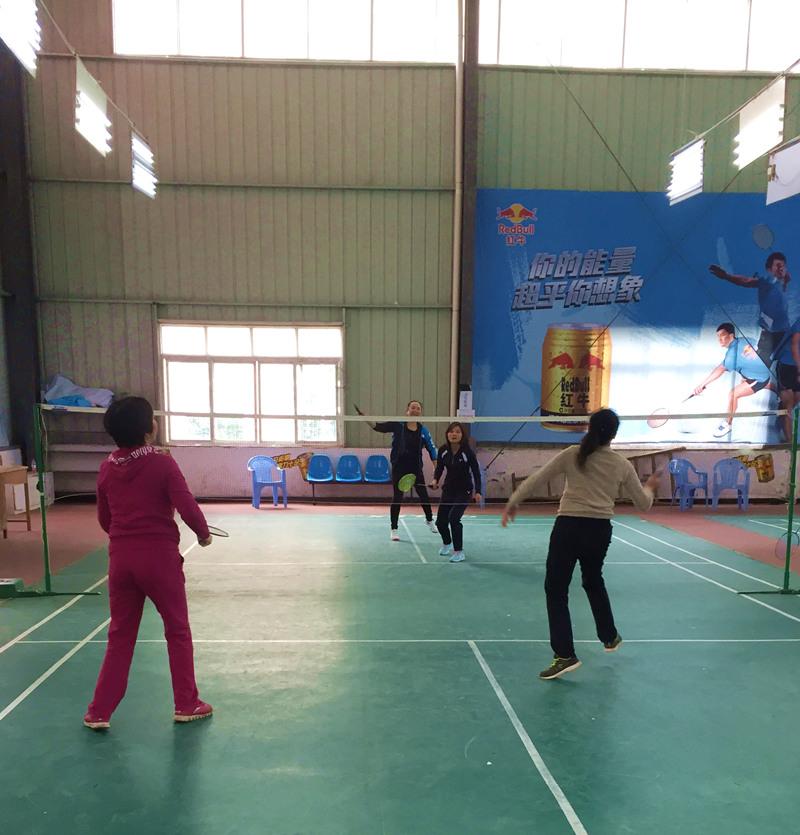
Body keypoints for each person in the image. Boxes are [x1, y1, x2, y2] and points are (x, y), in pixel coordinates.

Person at [84, 396, 213, 730]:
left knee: (120, 635)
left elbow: (104, 517)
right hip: (159, 559)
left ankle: (99, 711)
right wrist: (203, 534)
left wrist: (125, 536)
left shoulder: (107, 467)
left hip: (121, 560)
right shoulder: (162, 463)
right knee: (177, 630)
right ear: (147, 428)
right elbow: (185, 503)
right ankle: (186, 703)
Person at [501, 409, 659, 681]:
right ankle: (609, 636)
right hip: (599, 530)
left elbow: (537, 479)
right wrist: (651, 487)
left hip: (569, 528)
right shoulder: (621, 464)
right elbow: (643, 504)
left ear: (589, 428)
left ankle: (565, 655)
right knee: (593, 580)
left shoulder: (572, 454)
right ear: (614, 435)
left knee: (556, 589)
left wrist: (513, 502)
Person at [360, 400, 438, 541]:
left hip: (415, 468)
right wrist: (366, 418)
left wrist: (435, 469)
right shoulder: (398, 425)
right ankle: (394, 529)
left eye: (418, 408)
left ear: (420, 413)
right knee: (397, 498)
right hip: (399, 467)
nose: (415, 410)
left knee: (423, 495)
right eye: (413, 407)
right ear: (407, 411)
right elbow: (378, 427)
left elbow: (432, 450)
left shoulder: (423, 431)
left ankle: (429, 520)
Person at [691, 322, 775, 439]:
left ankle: (728, 424)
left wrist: (702, 385)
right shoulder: (745, 339)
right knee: (743, 380)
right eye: (718, 336)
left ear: (731, 335)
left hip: (759, 378)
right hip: (763, 370)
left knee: (733, 394)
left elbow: (720, 369)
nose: (720, 339)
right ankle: (773, 387)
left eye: (722, 335)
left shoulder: (731, 356)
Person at [708, 252, 790, 365]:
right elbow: (746, 281)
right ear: (769, 269)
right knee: (763, 365)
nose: (781, 268)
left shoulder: (783, 281)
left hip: (785, 333)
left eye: (783, 265)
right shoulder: (767, 282)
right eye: (778, 265)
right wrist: (726, 276)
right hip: (770, 336)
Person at [431, 421, 482, 563]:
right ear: (447, 434)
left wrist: (478, 491)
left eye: (458, 432)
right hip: (448, 489)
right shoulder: (443, 450)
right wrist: (435, 480)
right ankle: (447, 543)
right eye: (451, 431)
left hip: (464, 490)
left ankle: (459, 551)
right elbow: (440, 468)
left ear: (462, 435)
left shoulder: (467, 452)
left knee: (454, 518)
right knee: (440, 522)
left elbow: (476, 472)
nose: (454, 434)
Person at [773, 317, 800, 441]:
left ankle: (782, 414)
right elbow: (795, 346)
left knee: (795, 400)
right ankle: (790, 443)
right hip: (787, 365)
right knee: (789, 403)